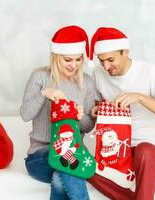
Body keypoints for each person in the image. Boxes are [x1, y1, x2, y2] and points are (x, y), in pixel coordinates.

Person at [88, 27, 155, 200]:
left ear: (125, 51)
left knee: (144, 151)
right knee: (83, 166)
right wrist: (98, 111)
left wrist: (141, 98)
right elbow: (98, 109)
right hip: (115, 155)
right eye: (101, 61)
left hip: (152, 154)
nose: (106, 67)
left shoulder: (149, 72)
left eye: (111, 60)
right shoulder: (98, 74)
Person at [20, 25, 99, 200]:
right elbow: (25, 114)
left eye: (78, 60)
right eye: (68, 60)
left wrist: (80, 117)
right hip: (41, 155)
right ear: (56, 57)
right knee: (70, 166)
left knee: (60, 177)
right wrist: (44, 93)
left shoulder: (86, 83)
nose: (74, 65)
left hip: (75, 154)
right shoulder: (39, 77)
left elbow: (89, 126)